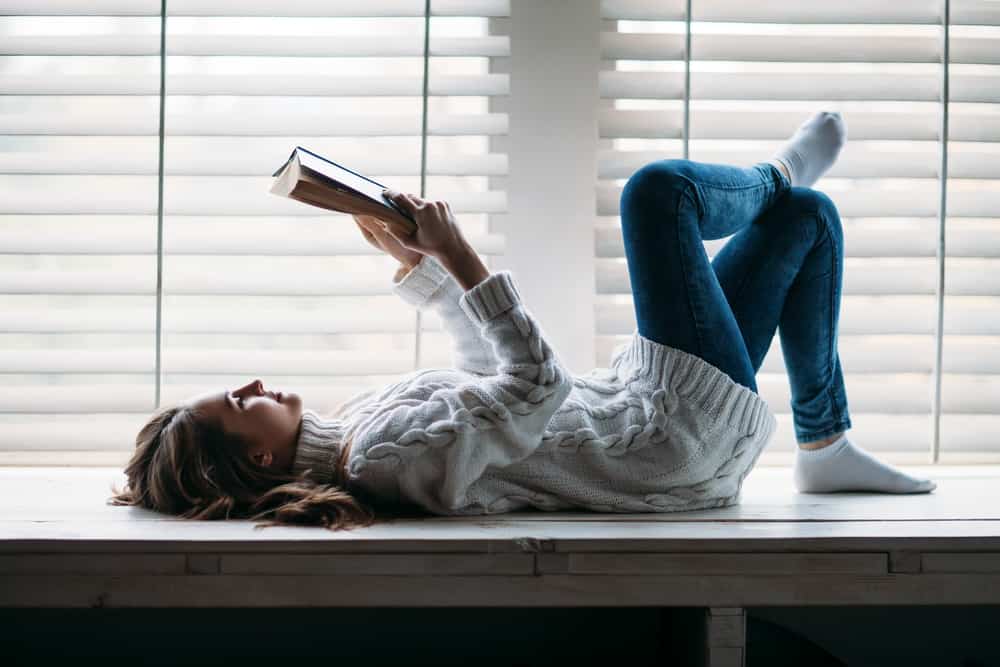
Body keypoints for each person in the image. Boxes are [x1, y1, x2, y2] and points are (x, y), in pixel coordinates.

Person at [110, 111, 936, 531]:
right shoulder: (386, 460)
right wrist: (462, 254)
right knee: (657, 195)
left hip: (646, 413)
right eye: (239, 399)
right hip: (667, 441)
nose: (255, 383)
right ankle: (777, 167)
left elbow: (481, 386)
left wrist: (415, 264)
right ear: (255, 452)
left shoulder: (358, 430)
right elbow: (535, 385)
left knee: (808, 224)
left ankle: (824, 444)